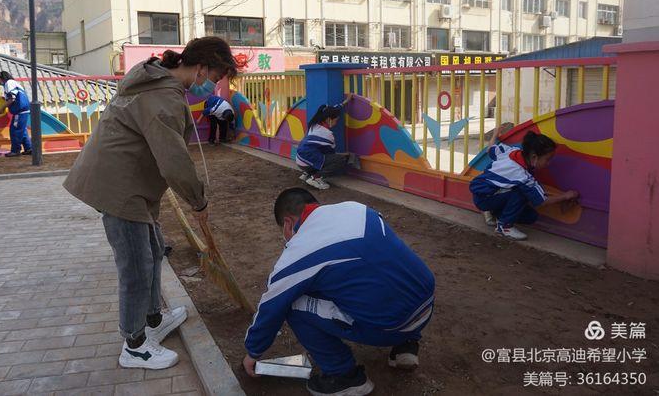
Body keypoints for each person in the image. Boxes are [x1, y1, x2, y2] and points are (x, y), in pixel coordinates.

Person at [63, 37, 239, 370]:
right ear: (201, 67)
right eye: (214, 78)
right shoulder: (162, 96)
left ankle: (153, 319)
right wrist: (198, 202)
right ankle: (135, 344)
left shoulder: (161, 81)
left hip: (133, 180)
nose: (212, 87)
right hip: (118, 185)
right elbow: (173, 161)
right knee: (135, 266)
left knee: (154, 249)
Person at [242, 188, 436, 396]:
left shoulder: (300, 250)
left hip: (391, 325)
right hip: (425, 306)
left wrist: (253, 350)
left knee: (292, 304)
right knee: (374, 274)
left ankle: (343, 376)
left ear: (288, 223)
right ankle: (405, 346)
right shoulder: (356, 209)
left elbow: (273, 305)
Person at [469, 131, 579, 241]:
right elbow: (542, 201)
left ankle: (492, 211)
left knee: (530, 217)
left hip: (482, 193)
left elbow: (490, 149)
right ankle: (505, 226)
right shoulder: (523, 176)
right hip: (485, 198)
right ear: (534, 157)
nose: (548, 163)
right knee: (522, 192)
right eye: (547, 159)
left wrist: (495, 134)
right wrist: (565, 196)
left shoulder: (511, 152)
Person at [295, 96, 359, 190]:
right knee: (340, 160)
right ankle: (316, 178)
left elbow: (333, 110)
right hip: (307, 162)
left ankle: (306, 174)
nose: (336, 123)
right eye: (336, 120)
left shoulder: (314, 125)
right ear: (329, 119)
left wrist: (345, 102)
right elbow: (331, 155)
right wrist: (345, 154)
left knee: (319, 156)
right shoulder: (327, 135)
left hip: (300, 160)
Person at [0, 71, 32, 157]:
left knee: (15, 130)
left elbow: (12, 98)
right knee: (22, 130)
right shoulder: (12, 83)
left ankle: (15, 150)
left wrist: (2, 108)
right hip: (23, 110)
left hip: (19, 111)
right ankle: (29, 148)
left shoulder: (8, 83)